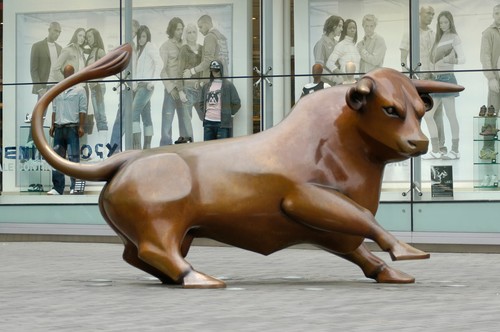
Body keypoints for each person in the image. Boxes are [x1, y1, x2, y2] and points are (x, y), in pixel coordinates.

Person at [400, 6, 447, 156]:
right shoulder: (409, 33)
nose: (431, 16)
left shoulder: (434, 34)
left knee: (437, 113)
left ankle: (440, 147)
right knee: (418, 113)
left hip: (433, 78)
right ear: (419, 14)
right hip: (417, 80)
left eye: (433, 14)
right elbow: (403, 59)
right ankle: (416, 145)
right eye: (428, 13)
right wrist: (409, 77)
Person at [423, 11, 464, 160]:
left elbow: (463, 59)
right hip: (436, 80)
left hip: (447, 79)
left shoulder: (454, 38)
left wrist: (448, 61)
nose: (443, 25)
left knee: (450, 115)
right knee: (428, 114)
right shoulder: (438, 39)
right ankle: (436, 149)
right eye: (440, 23)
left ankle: (455, 150)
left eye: (445, 22)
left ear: (450, 22)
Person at [47, 65, 87, 195]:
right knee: (57, 160)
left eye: (69, 72)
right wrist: (52, 124)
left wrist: (81, 126)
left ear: (73, 73)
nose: (67, 75)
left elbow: (83, 109)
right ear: (63, 74)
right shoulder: (58, 89)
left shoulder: (80, 89)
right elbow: (54, 108)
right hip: (59, 128)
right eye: (65, 73)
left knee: (74, 159)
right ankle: (57, 188)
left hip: (72, 128)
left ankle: (75, 187)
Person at [28, 22, 62, 143]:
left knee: (59, 117)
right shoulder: (37, 46)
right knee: (39, 117)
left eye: (59, 32)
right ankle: (31, 144)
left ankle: (57, 147)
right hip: (44, 87)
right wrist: (39, 88)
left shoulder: (60, 48)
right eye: (55, 31)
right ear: (49, 30)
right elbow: (33, 69)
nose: (57, 34)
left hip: (57, 86)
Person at [110, 19, 140, 153]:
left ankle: (124, 148)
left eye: (134, 31)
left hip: (134, 88)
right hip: (125, 88)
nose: (132, 33)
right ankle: (113, 149)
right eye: (131, 30)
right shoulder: (122, 46)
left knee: (129, 119)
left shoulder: (135, 46)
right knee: (121, 119)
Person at [131, 25, 161, 149]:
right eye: (139, 36)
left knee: (133, 113)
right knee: (146, 115)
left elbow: (160, 63)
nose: (141, 39)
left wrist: (152, 82)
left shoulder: (150, 47)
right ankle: (147, 147)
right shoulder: (139, 50)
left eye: (144, 36)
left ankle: (137, 147)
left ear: (147, 37)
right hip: (139, 86)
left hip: (146, 87)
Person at [198, 60, 240, 140]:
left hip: (222, 123)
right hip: (208, 122)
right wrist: (205, 112)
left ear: (221, 70)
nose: (215, 73)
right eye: (213, 70)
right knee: (208, 149)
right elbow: (201, 102)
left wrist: (230, 114)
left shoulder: (228, 85)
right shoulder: (206, 86)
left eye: (217, 70)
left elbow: (236, 102)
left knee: (222, 149)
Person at [159, 17, 185, 146]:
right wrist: (171, 88)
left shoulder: (185, 45)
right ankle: (164, 152)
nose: (181, 31)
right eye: (178, 29)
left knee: (185, 123)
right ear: (172, 30)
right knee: (166, 126)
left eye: (182, 29)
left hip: (185, 90)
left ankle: (184, 152)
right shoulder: (165, 46)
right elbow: (162, 70)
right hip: (171, 91)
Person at [480, 4, 500, 161]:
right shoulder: (488, 33)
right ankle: (487, 150)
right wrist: (491, 78)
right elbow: (485, 57)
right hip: (497, 79)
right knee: (491, 116)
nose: (498, 15)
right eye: (496, 13)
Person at [177, 23, 204, 142]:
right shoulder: (184, 49)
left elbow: (205, 68)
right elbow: (179, 70)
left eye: (194, 32)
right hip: (187, 89)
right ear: (186, 35)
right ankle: (190, 145)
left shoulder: (202, 49)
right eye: (189, 32)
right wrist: (180, 91)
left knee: (206, 117)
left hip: (200, 89)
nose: (192, 35)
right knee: (187, 120)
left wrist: (202, 82)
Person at [183, 14, 229, 81]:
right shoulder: (221, 37)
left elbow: (208, 60)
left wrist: (191, 71)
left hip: (212, 79)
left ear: (207, 24)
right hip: (223, 77)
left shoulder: (209, 37)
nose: (199, 30)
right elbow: (226, 60)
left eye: (201, 27)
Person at [85, 28, 108, 133]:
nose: (88, 39)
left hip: (98, 86)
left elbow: (108, 68)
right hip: (93, 87)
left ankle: (103, 139)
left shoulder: (99, 51)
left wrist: (96, 80)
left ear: (95, 37)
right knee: (98, 114)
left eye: (89, 36)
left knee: (100, 115)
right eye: (87, 37)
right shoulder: (92, 51)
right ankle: (102, 136)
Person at [326, 19, 360, 84]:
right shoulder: (341, 45)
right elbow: (329, 63)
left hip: (356, 82)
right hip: (346, 82)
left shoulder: (355, 47)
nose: (352, 30)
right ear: (345, 30)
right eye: (350, 28)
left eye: (354, 28)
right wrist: (343, 75)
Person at [313, 15, 344, 86]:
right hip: (326, 86)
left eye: (342, 26)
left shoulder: (337, 44)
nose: (341, 29)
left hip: (338, 85)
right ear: (333, 26)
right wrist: (335, 79)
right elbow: (319, 69)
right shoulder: (321, 44)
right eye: (339, 26)